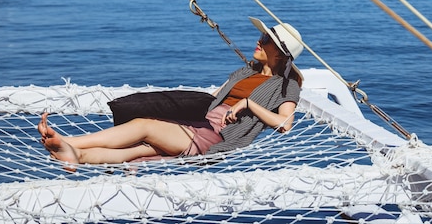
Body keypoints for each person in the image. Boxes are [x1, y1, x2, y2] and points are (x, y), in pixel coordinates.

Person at [38, 17, 304, 168]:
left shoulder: (285, 85)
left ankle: (70, 142)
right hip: (197, 124)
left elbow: (285, 124)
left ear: (281, 54)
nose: (259, 40)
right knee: (133, 152)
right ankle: (77, 156)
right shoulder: (245, 72)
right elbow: (213, 99)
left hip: (214, 137)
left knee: (143, 126)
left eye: (266, 39)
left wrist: (247, 104)